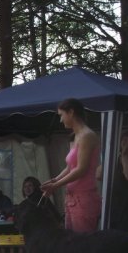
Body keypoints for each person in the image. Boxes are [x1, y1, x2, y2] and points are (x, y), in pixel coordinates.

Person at [41, 98, 101, 233]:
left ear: (71, 112)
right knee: (71, 244)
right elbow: (69, 168)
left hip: (84, 199)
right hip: (72, 198)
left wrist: (55, 186)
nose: (61, 120)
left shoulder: (87, 136)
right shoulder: (75, 137)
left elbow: (81, 169)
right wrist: (54, 180)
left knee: (81, 246)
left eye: (61, 115)